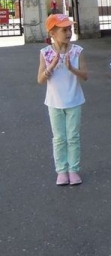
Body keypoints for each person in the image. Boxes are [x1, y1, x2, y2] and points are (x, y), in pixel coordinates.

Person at [37, 14, 88, 186]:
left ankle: (73, 170)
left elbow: (85, 76)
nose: (68, 33)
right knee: (59, 138)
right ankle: (61, 171)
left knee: (73, 137)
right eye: (64, 30)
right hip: (54, 102)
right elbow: (40, 80)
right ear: (52, 33)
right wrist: (50, 67)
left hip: (74, 100)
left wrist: (71, 68)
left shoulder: (77, 51)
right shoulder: (45, 53)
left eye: (70, 29)